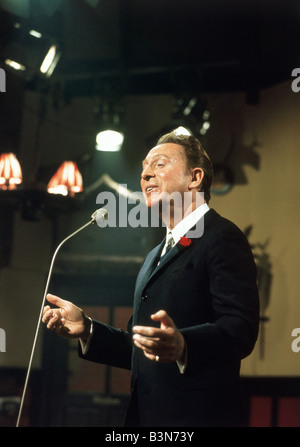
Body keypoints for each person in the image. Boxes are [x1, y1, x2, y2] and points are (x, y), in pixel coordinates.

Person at [42, 131, 260, 427]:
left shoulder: (222, 238)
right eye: (144, 167)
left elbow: (240, 329)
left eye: (159, 165)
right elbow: (140, 346)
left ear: (194, 178)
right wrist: (87, 330)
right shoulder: (153, 257)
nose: (145, 174)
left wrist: (184, 345)